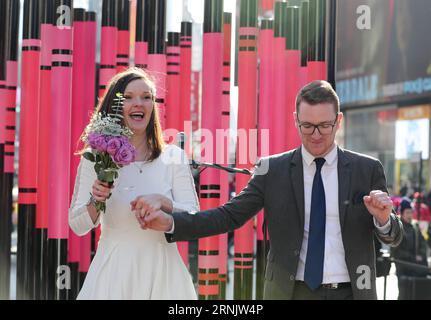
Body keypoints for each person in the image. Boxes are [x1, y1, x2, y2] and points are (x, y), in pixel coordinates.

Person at [134, 80, 403, 300]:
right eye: (307, 126)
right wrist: (171, 223)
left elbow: (394, 236)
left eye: (325, 126)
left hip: (351, 292)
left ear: (339, 120)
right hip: (290, 292)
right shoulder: (272, 169)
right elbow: (229, 216)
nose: (317, 135)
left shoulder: (367, 169)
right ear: (296, 120)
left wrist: (382, 220)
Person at [69, 68, 199, 299]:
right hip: (113, 274)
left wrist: (164, 204)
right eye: (128, 97)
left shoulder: (174, 156)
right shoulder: (96, 159)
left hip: (165, 275)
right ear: (115, 106)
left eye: (146, 97)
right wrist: (95, 199)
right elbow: (78, 226)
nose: (139, 103)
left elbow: (194, 219)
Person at [392, 198, 430, 299]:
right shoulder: (398, 228)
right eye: (407, 212)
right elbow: (396, 252)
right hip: (403, 268)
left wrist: (421, 256)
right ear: (402, 213)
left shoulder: (415, 227)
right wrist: (412, 257)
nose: (409, 215)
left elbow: (423, 244)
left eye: (411, 212)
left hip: (416, 267)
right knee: (405, 294)